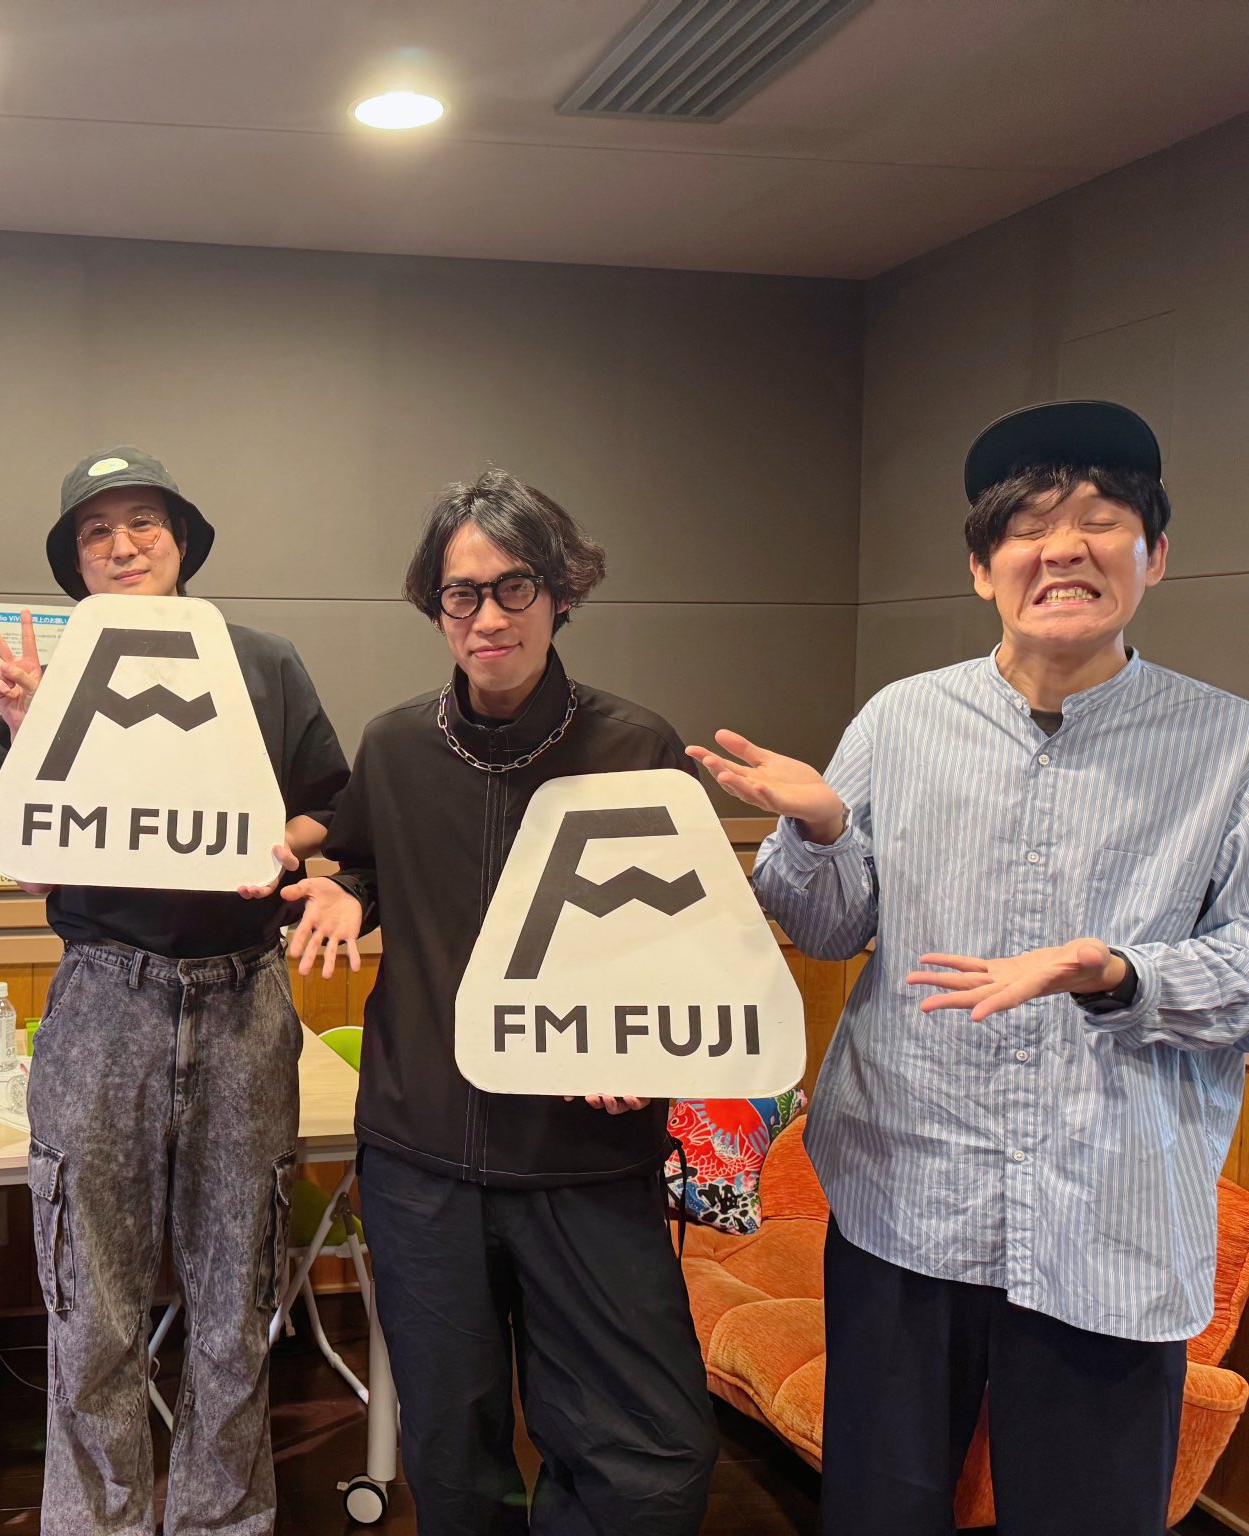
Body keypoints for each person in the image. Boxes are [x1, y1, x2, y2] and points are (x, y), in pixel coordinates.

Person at [691, 400, 1249, 1536]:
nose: (1063, 549)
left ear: (1154, 554)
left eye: (1101, 521)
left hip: (1109, 1214)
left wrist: (1116, 973)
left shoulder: (1226, 745)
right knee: (880, 1508)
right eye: (1027, 528)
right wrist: (818, 830)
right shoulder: (900, 720)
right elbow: (829, 929)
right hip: (907, 1194)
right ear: (982, 567)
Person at [285, 468, 718, 1535]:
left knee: (650, 1462)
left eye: (513, 587)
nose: (487, 616)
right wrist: (346, 893)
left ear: (559, 593)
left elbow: (692, 945)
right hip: (424, 1164)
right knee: (452, 1459)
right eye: (460, 594)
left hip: (587, 1163)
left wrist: (653, 1055)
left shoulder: (636, 748)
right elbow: (364, 862)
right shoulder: (394, 746)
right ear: (435, 609)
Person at [0, 446, 349, 1535]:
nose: (122, 545)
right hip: (104, 993)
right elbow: (31, 863)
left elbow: (329, 802)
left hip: (244, 993)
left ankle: (223, 1523)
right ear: (75, 563)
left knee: (234, 1302)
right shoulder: (48, 677)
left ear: (182, 541)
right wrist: (27, 731)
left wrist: (280, 845)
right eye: (96, 532)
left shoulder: (261, 659)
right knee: (90, 1302)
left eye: (142, 521)